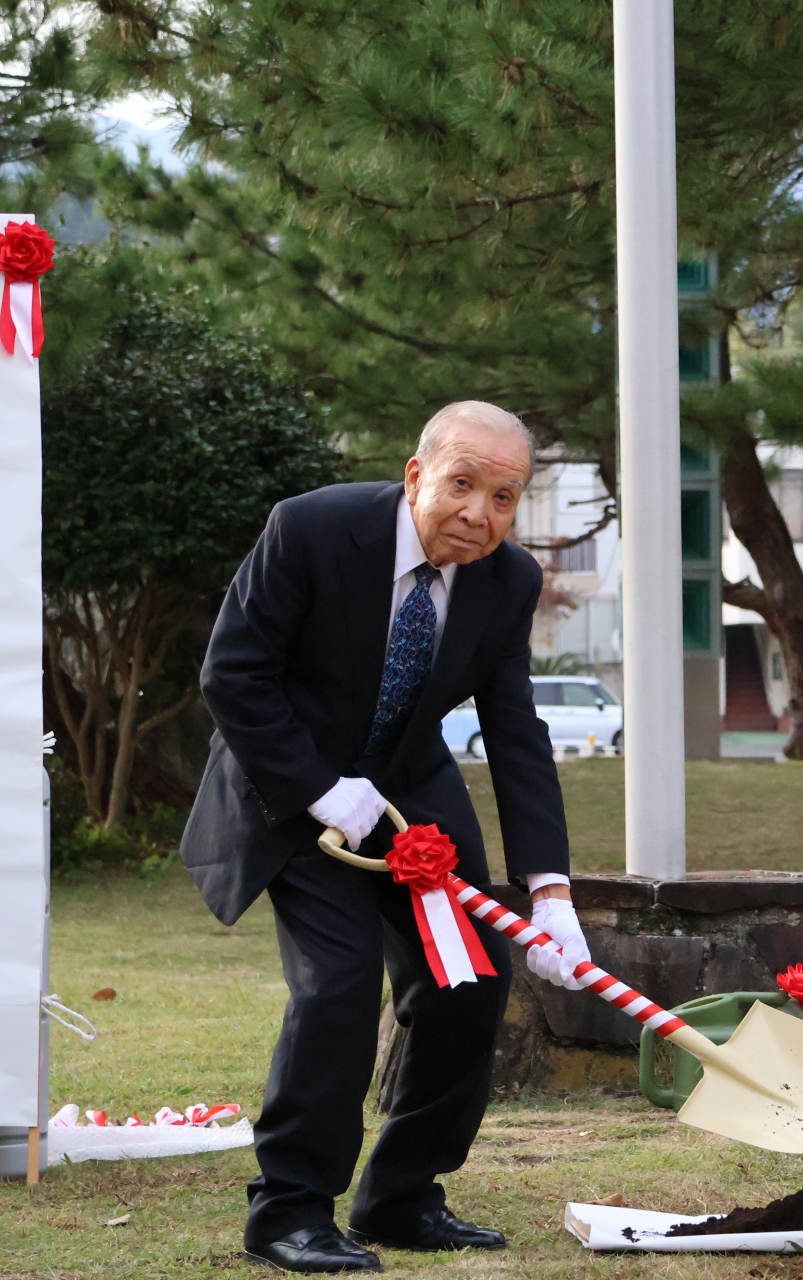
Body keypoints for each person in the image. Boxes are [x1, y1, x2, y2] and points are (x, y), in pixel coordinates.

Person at [183, 402, 595, 1274]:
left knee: (469, 979)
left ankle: (402, 1195)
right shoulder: (311, 528)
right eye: (462, 485)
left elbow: (516, 731)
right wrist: (320, 790)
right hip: (292, 783)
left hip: (410, 789)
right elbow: (234, 671)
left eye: (505, 497)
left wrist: (550, 890)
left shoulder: (509, 581)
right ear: (416, 475)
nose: (480, 515)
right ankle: (288, 1211)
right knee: (336, 986)